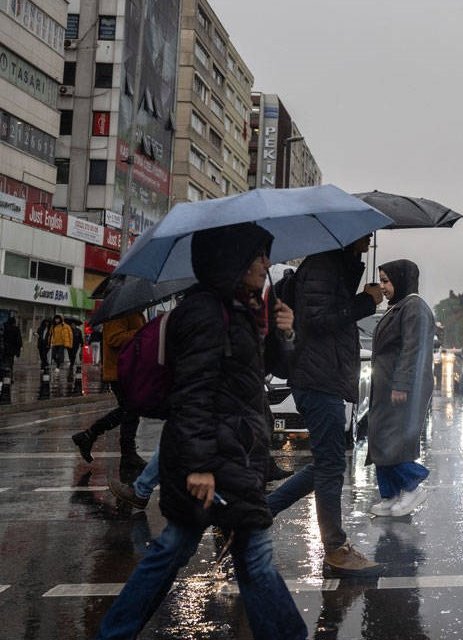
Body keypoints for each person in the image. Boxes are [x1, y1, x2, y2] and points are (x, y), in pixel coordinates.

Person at [94, 222, 306, 640]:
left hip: (233, 457)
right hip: (212, 461)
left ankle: (114, 632)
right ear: (233, 259)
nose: (266, 264)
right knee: (239, 556)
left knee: (179, 550)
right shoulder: (206, 313)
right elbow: (193, 395)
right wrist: (199, 466)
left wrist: (285, 331)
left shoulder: (240, 308)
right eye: (259, 255)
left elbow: (270, 370)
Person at [266, 235, 384, 577]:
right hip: (317, 379)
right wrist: (364, 301)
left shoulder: (335, 265)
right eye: (367, 232)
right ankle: (334, 548)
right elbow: (318, 321)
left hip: (323, 377)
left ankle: (259, 513)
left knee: (326, 465)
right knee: (329, 466)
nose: (370, 239)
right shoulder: (323, 266)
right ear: (348, 232)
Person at [367, 260, 435, 518]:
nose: (383, 287)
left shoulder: (414, 307)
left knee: (390, 441)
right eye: (381, 281)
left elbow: (412, 349)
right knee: (380, 437)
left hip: (401, 388)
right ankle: (391, 494)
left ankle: (411, 485)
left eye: (386, 280)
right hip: (387, 386)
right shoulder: (399, 307)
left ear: (401, 279)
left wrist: (402, 384)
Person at [71, 313, 147, 472]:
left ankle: (89, 436)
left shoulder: (135, 311)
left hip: (131, 369)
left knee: (130, 410)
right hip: (119, 370)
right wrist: (140, 333)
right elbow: (114, 338)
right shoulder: (118, 314)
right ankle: (127, 454)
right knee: (131, 409)